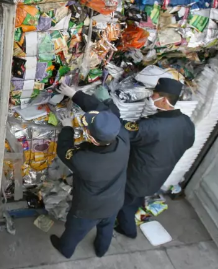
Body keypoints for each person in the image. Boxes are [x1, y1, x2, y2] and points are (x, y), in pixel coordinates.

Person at [50, 82, 130, 259]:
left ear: (92, 140)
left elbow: (64, 150)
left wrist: (67, 128)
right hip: (115, 201)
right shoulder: (122, 136)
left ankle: (65, 249)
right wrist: (75, 94)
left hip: (88, 209)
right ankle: (101, 250)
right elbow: (102, 110)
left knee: (74, 231)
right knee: (106, 228)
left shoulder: (84, 161)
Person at [116, 77, 195, 239]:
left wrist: (109, 110)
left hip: (137, 176)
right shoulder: (186, 122)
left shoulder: (150, 127)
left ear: (164, 100)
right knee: (136, 199)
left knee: (124, 204)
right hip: (159, 174)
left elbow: (124, 132)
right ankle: (136, 207)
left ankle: (128, 230)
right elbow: (188, 143)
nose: (151, 98)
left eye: (154, 95)